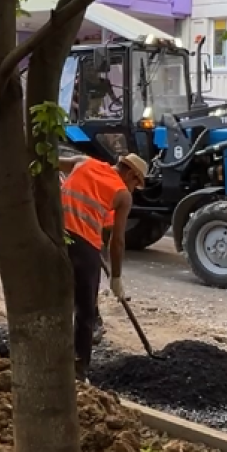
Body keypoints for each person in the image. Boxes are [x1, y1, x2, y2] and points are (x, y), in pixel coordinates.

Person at [61, 152, 149, 378]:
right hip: (83, 246)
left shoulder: (83, 162)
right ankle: (79, 372)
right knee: (85, 312)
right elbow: (117, 241)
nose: (133, 190)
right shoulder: (122, 195)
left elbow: (48, 160)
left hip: (54, 233)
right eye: (135, 184)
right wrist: (116, 277)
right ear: (130, 174)